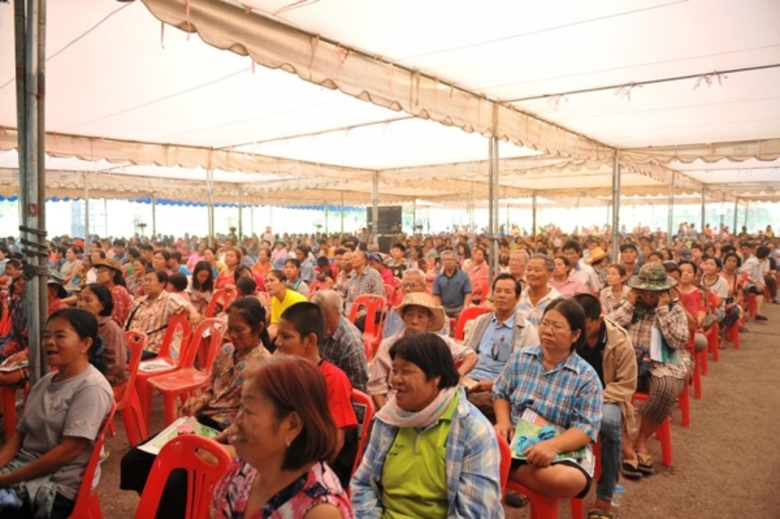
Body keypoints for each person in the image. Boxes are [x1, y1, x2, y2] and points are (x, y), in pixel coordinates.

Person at [120, 297, 273, 518]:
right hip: (199, 424)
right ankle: (161, 510)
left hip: (226, 433)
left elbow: (248, 420)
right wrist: (198, 402)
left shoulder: (265, 366)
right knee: (134, 461)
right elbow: (211, 389)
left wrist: (214, 441)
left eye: (239, 330)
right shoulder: (226, 350)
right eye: (230, 329)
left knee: (173, 483)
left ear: (258, 328)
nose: (233, 335)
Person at [351, 333, 503, 518]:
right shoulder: (389, 419)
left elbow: (474, 513)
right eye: (395, 371)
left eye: (406, 372)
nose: (395, 380)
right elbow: (362, 484)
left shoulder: (472, 429)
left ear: (436, 377)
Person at [0, 308, 113, 519]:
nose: (49, 342)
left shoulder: (91, 388)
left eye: (60, 336)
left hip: (57, 484)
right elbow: (20, 434)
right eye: (46, 336)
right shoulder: (44, 382)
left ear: (85, 344)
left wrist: (8, 479)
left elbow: (68, 451)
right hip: (24, 467)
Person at [211, 356, 353, 518]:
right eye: (241, 408)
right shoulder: (244, 468)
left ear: (292, 424)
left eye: (249, 411)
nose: (237, 420)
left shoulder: (320, 510)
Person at [494, 298, 603, 499]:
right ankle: (508, 464)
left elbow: (586, 428)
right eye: (544, 323)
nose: (547, 331)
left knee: (570, 480)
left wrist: (554, 446)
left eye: (557, 326)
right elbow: (501, 393)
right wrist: (503, 421)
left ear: (575, 335)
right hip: (516, 438)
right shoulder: (521, 358)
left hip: (561, 445)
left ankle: (503, 467)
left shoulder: (586, 377)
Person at [607, 264, 691, 478]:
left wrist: (662, 310)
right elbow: (608, 329)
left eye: (654, 292)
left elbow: (677, 341)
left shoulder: (674, 310)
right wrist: (628, 305)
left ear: (664, 291)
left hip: (661, 364)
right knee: (611, 387)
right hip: (628, 361)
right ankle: (624, 441)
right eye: (644, 291)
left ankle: (642, 439)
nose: (648, 296)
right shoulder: (626, 305)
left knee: (666, 389)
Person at [274, 303, 358, 488]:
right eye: (278, 335)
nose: (277, 342)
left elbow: (334, 444)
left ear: (310, 341)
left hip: (318, 469)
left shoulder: (333, 378)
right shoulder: (285, 372)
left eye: (286, 336)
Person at [572, 294, 638, 519]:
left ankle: (605, 494)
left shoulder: (618, 340)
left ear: (599, 320)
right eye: (575, 326)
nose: (578, 332)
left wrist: (592, 397)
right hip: (569, 392)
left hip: (607, 396)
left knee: (609, 423)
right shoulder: (567, 331)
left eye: (585, 326)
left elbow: (626, 384)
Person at [367, 293, 478, 410]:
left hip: (434, 407)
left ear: (430, 321)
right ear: (403, 318)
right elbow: (376, 389)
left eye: (421, 316)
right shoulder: (388, 345)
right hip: (396, 407)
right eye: (410, 315)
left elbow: (471, 356)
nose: (414, 321)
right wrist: (387, 415)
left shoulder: (440, 343)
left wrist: (459, 374)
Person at [462, 273, 539, 422]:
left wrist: (494, 383)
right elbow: (465, 352)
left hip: (499, 386)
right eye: (498, 291)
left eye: (507, 292)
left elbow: (528, 371)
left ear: (517, 298)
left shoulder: (526, 329)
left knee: (463, 402)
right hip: (470, 380)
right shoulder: (480, 321)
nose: (501, 295)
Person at [124, 269, 202, 358]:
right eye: (145, 280)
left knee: (119, 357)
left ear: (162, 284)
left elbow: (187, 305)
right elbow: (127, 324)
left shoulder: (168, 298)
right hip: (130, 343)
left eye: (150, 280)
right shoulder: (139, 301)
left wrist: (193, 312)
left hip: (150, 347)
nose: (146, 284)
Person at [311, 290, 369, 392]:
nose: (327, 331)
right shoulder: (310, 326)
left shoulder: (351, 343)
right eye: (323, 324)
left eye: (331, 325)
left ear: (340, 313)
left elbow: (358, 387)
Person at [77, 283, 129, 390]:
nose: (81, 304)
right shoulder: (82, 324)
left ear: (102, 305)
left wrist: (93, 381)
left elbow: (116, 366)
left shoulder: (110, 328)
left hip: (104, 380)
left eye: (88, 300)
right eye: (80, 299)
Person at [516, 254, 562, 327]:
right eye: (528, 269)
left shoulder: (559, 301)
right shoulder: (517, 298)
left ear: (549, 275)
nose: (531, 273)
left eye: (537, 270)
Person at [344, 251, 385, 330]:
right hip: (356, 311)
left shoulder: (373, 274)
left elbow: (377, 299)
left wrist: (362, 313)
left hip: (374, 311)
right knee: (339, 319)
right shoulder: (352, 277)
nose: (352, 260)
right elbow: (349, 300)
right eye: (351, 258)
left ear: (363, 260)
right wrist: (349, 312)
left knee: (355, 323)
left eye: (355, 257)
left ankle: (357, 337)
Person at [265, 269, 308, 342]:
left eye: (272, 280)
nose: (268, 284)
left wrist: (272, 334)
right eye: (266, 281)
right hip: (284, 334)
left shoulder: (296, 299)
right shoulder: (274, 299)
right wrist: (264, 334)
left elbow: (294, 327)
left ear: (282, 283)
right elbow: (275, 323)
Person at [433, 250, 473, 319]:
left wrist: (465, 307)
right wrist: (439, 308)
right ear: (442, 262)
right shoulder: (438, 278)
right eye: (445, 260)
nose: (448, 262)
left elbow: (468, 293)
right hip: (444, 308)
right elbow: (436, 295)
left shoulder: (464, 276)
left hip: (459, 308)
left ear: (455, 261)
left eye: (450, 259)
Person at [95, 258, 134, 327]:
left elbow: (116, 319)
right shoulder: (105, 290)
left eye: (101, 271)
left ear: (113, 273)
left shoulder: (117, 290)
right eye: (98, 271)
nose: (98, 274)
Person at [718, 252, 744, 348]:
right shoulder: (718, 276)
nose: (731, 263)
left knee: (735, 312)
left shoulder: (739, 278)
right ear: (724, 262)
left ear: (737, 264)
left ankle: (724, 335)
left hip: (731, 301)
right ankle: (718, 330)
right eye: (728, 260)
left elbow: (739, 295)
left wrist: (734, 304)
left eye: (734, 261)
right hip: (718, 300)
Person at [743, 245, 770, 321]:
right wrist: (755, 283)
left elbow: (760, 277)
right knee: (757, 289)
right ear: (766, 256)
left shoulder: (760, 263)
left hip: (754, 284)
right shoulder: (751, 262)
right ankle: (756, 312)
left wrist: (761, 284)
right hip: (746, 284)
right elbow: (745, 275)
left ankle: (757, 312)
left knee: (760, 289)